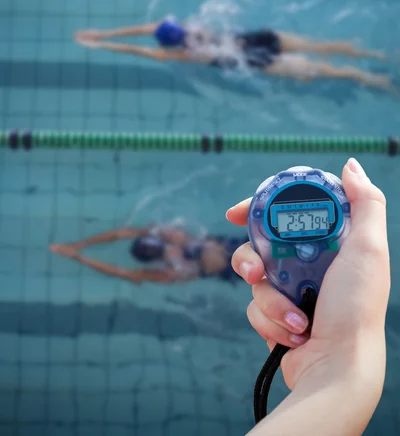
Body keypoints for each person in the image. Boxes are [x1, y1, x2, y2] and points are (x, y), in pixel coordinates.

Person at [226, 158, 390, 435]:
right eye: (295, 221)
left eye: (311, 220)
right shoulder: (329, 209)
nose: (305, 250)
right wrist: (337, 366)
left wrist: (335, 365)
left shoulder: (271, 211)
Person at [73, 18, 395, 93]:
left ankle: (375, 79)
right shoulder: (190, 27)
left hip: (256, 61)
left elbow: (140, 49)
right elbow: (146, 29)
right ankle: (377, 56)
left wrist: (102, 44)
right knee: (320, 47)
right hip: (256, 39)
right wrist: (102, 33)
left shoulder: (188, 55)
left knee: (325, 70)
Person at [49, 223, 247, 284]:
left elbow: (119, 233)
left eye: (147, 244)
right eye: (148, 251)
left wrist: (80, 245)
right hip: (233, 269)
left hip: (231, 244)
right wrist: (79, 256)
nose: (150, 247)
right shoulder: (168, 272)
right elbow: (121, 272)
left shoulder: (169, 236)